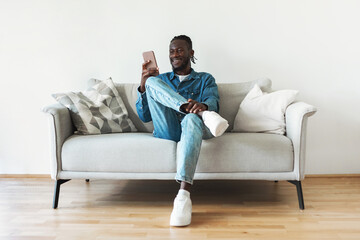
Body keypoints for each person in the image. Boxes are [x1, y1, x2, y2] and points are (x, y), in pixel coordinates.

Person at [136, 35, 228, 227]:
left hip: (192, 129)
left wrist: (202, 105)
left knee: (193, 117)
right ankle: (186, 107)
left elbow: (213, 102)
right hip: (167, 128)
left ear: (190, 53)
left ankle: (183, 196)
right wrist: (144, 87)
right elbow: (144, 116)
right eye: (171, 51)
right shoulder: (160, 80)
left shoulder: (204, 78)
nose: (175, 54)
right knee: (152, 82)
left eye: (179, 50)